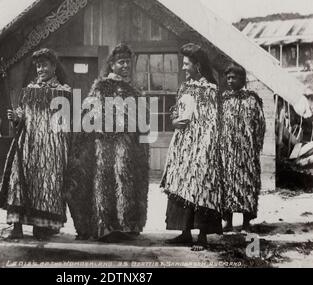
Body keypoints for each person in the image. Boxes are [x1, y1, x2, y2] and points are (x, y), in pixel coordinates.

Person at [67, 43, 149, 242]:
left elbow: (143, 119)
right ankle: (106, 226)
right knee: (105, 182)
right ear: (112, 65)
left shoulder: (135, 90)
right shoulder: (101, 86)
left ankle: (126, 225)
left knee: (126, 181)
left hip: (128, 145)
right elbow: (88, 111)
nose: (125, 66)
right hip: (105, 144)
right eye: (121, 62)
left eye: (128, 62)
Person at [0, 48, 71, 240]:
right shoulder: (29, 90)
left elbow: (67, 122)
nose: (41, 69)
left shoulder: (64, 92)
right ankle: (17, 226)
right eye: (38, 66)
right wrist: (16, 117)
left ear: (54, 67)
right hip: (28, 143)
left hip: (51, 147)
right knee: (20, 180)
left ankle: (42, 226)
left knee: (47, 185)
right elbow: (24, 113)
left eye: (44, 65)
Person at [161, 43, 222, 251]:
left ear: (197, 65)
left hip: (202, 146)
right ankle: (185, 232)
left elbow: (212, 121)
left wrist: (205, 149)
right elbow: (177, 111)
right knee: (182, 186)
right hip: (183, 145)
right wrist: (173, 121)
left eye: (186, 64)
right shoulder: (185, 86)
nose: (183, 67)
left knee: (202, 187)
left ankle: (203, 236)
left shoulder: (210, 90)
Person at [221, 64, 265, 232]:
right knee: (228, 185)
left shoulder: (252, 100)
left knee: (247, 185)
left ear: (242, 79)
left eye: (234, 77)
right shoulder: (224, 99)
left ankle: (246, 222)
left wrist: (255, 147)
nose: (230, 80)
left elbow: (260, 125)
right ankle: (228, 221)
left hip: (247, 152)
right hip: (228, 152)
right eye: (228, 77)